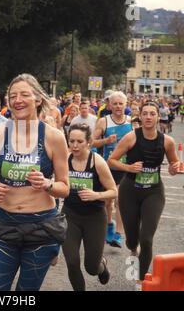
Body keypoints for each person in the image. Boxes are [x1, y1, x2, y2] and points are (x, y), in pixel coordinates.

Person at [0, 73, 69, 291]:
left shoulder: (54, 137)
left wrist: (47, 184)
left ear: (37, 99)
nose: (18, 100)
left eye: (25, 94)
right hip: (6, 225)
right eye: (13, 96)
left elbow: (65, 188)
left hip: (42, 228)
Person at [107, 101, 182, 290]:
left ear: (158, 117)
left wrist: (174, 168)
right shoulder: (131, 137)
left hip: (154, 191)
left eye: (152, 114)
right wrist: (128, 167)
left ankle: (140, 280)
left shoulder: (167, 141)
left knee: (147, 238)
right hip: (130, 190)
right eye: (145, 113)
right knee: (132, 239)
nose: (148, 117)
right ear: (139, 117)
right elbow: (111, 161)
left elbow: (174, 168)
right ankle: (133, 248)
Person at [62, 124, 117, 291]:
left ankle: (101, 264)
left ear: (89, 142)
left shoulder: (97, 162)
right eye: (71, 141)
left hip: (94, 217)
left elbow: (113, 191)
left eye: (79, 141)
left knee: (91, 268)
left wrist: (96, 195)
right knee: (72, 262)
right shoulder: (64, 160)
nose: (75, 145)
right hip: (70, 215)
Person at [92, 91, 132, 248]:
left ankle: (118, 234)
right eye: (114, 103)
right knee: (108, 201)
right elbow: (91, 143)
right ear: (109, 105)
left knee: (120, 199)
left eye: (120, 103)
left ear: (125, 105)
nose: (117, 106)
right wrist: (106, 140)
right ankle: (109, 224)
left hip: (123, 166)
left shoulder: (130, 121)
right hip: (107, 167)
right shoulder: (103, 122)